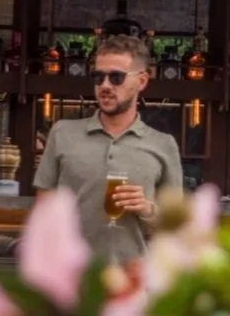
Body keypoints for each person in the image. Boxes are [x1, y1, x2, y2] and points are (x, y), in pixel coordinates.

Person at [33, 34, 183, 263]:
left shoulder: (163, 144)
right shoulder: (63, 133)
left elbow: (176, 229)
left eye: (116, 77)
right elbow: (43, 211)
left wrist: (147, 209)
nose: (105, 85)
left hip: (134, 277)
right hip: (72, 275)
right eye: (98, 77)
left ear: (142, 81)